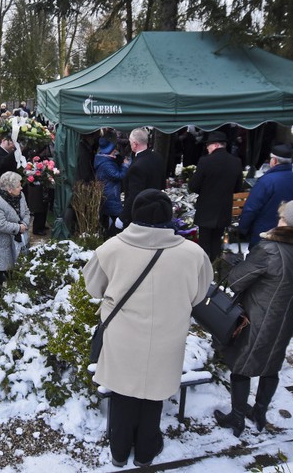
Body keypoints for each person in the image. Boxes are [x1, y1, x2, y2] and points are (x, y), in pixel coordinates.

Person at [83, 189, 213, 467]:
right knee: (154, 394)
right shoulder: (193, 253)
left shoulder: (111, 249)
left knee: (122, 392)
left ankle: (119, 451)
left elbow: (93, 288)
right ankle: (145, 452)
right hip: (168, 335)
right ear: (169, 216)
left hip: (123, 335)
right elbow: (199, 295)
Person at [214, 199, 293, 436]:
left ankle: (237, 418)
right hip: (285, 319)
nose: (279, 221)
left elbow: (236, 280)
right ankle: (259, 411)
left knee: (241, 366)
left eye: (284, 218)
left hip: (256, 316)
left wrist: (241, 264)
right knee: (270, 367)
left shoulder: (270, 250)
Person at [188, 131, 243, 261]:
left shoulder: (205, 161)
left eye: (208, 145)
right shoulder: (236, 162)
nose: (207, 148)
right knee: (216, 242)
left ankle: (204, 271)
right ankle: (214, 268)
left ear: (216, 145)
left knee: (205, 243)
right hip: (223, 209)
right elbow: (238, 188)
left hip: (206, 209)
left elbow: (193, 186)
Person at [237, 144, 293, 247]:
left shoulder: (267, 181)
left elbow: (251, 208)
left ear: (274, 161)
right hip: (288, 236)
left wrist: (243, 229)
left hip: (264, 235)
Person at [0, 171, 31, 297]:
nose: (21, 188)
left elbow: (27, 212)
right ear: (9, 189)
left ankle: (17, 295)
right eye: (18, 186)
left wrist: (24, 224)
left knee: (17, 266)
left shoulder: (21, 195)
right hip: (1, 240)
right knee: (0, 269)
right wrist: (19, 227)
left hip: (18, 237)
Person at [120, 128, 166, 227]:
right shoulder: (158, 157)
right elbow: (162, 184)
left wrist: (123, 217)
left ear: (135, 144)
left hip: (140, 213)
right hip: (156, 209)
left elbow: (134, 195)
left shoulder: (137, 165)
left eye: (130, 142)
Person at [94, 136, 129, 237]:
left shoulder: (104, 159)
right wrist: (125, 165)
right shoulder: (106, 164)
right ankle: (112, 237)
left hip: (107, 193)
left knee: (107, 219)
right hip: (110, 195)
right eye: (113, 150)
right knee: (117, 219)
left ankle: (106, 237)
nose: (115, 151)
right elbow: (118, 175)